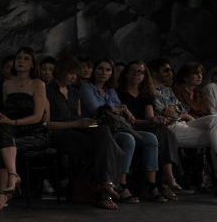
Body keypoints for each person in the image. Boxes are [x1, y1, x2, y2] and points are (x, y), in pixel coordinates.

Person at [46, 57, 125, 210]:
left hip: (77, 129)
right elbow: (47, 124)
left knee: (104, 131)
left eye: (75, 74)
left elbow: (78, 117)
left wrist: (88, 123)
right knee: (110, 149)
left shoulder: (74, 92)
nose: (74, 77)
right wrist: (75, 124)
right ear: (62, 71)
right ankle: (105, 190)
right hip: (58, 132)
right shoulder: (48, 91)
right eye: (71, 74)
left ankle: (104, 185)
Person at [80, 58, 164, 203]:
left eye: (108, 70)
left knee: (151, 138)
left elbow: (120, 109)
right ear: (94, 71)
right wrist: (120, 110)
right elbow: (98, 110)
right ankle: (122, 184)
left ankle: (151, 184)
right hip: (97, 128)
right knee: (127, 138)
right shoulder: (87, 87)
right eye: (100, 69)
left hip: (116, 127)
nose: (104, 72)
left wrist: (121, 110)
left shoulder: (110, 90)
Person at [0, 47, 49, 210]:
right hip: (12, 131)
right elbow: (7, 111)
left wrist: (12, 122)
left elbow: (38, 117)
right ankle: (12, 178)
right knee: (1, 135)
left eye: (26, 58)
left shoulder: (38, 84)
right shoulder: (7, 84)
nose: (21, 61)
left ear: (32, 64)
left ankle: (3, 193)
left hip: (34, 132)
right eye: (19, 58)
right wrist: (0, 119)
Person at [118, 61, 181, 198]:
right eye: (133, 70)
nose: (136, 74)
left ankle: (161, 180)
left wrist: (157, 120)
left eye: (140, 72)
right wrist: (151, 121)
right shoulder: (119, 93)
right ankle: (165, 180)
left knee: (165, 132)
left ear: (144, 76)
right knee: (159, 134)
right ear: (126, 73)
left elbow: (149, 117)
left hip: (144, 126)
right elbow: (130, 121)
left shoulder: (146, 94)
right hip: (127, 127)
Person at [149, 59, 217, 186]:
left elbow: (183, 108)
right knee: (215, 127)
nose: (170, 73)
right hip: (170, 127)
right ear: (153, 72)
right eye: (166, 70)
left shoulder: (167, 90)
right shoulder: (149, 92)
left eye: (171, 70)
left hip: (183, 123)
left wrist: (175, 109)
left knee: (215, 121)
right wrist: (175, 110)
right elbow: (164, 113)